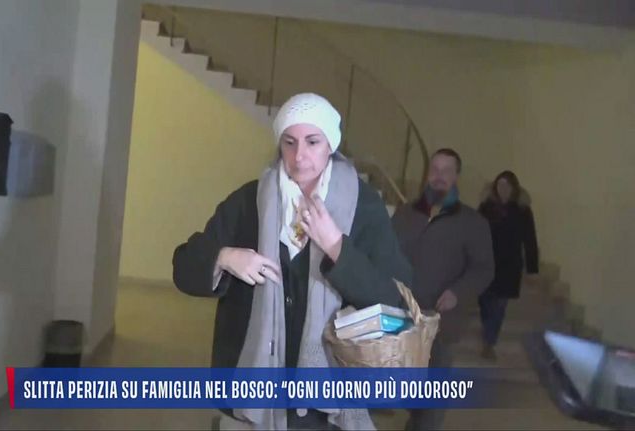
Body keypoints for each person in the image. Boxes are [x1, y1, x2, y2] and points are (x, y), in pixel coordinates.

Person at [172, 93, 412, 430]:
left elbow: (395, 302)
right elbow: (183, 267)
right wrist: (225, 257)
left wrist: (336, 247)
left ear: (330, 145)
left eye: (312, 142)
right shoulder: (248, 201)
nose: (300, 156)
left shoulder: (365, 207)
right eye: (290, 142)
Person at [391, 148, 494, 431]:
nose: (439, 176)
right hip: (401, 319)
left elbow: (484, 269)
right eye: (434, 170)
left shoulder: (473, 223)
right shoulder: (404, 214)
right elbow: (386, 254)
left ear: (456, 176)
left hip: (441, 324)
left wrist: (457, 293)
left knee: (432, 399)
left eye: (447, 171)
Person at [477, 170, 539, 360]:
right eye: (500, 185)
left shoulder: (522, 210)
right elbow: (474, 232)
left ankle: (489, 342)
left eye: (506, 186)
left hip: (510, 265)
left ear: (513, 189)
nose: (503, 189)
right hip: (487, 262)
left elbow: (530, 239)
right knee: (485, 301)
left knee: (500, 305)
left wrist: (532, 268)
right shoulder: (486, 207)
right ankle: (487, 331)